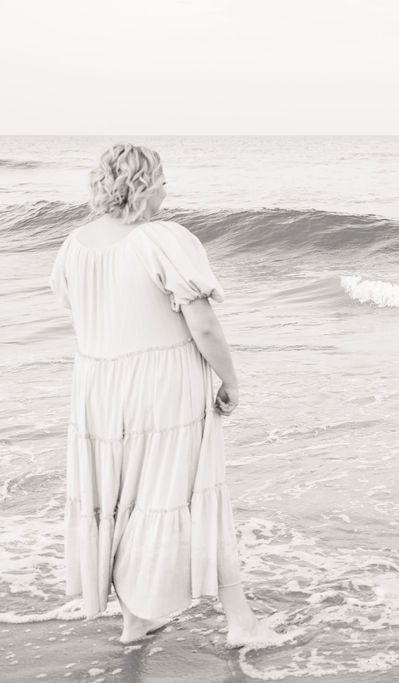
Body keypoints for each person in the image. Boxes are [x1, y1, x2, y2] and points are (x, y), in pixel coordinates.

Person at [48, 144, 277, 646]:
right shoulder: (162, 239)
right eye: (163, 180)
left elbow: (80, 311)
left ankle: (136, 620)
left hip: (98, 394)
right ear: (145, 185)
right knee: (195, 495)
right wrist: (231, 381)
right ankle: (240, 620)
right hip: (165, 387)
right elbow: (204, 325)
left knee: (125, 501)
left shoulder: (75, 244)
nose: (168, 190)